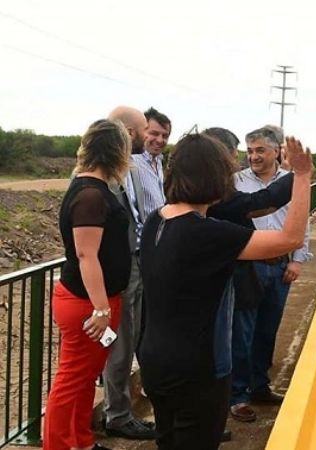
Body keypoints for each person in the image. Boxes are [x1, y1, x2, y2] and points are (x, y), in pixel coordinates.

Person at [138, 132, 312, 450]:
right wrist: (302, 176)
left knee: (169, 439)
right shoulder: (206, 234)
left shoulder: (155, 221)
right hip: (197, 370)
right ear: (216, 178)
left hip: (155, 358)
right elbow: (290, 239)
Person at [43, 119, 132, 450]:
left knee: (81, 380)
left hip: (95, 301)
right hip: (88, 304)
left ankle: (80, 442)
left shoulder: (90, 188)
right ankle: (57, 444)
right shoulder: (92, 195)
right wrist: (101, 308)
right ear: (116, 152)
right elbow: (86, 255)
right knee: (70, 381)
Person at [228, 127, 312, 423]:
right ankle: (238, 396)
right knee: (242, 331)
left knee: (267, 328)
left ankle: (260, 386)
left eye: (260, 150)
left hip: (279, 266)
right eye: (249, 151)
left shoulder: (291, 181)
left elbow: (302, 220)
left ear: (277, 151)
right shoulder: (235, 182)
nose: (253, 157)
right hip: (248, 267)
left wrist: (298, 260)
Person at [102, 106, 157, 440]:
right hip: (118, 271)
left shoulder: (130, 169)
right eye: (141, 130)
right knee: (120, 345)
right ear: (127, 131)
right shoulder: (101, 174)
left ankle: (121, 411)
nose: (146, 136)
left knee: (132, 338)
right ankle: (117, 415)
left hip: (137, 264)